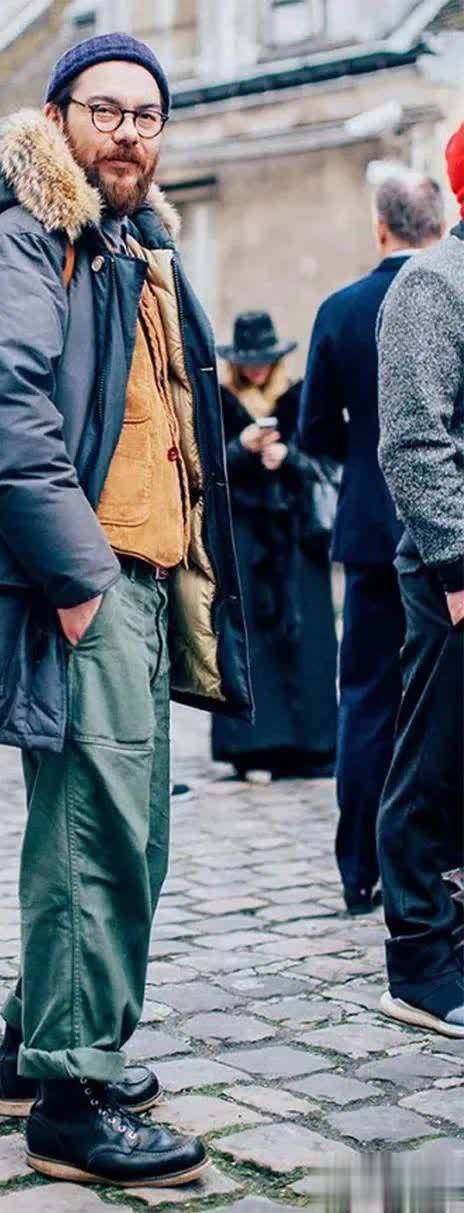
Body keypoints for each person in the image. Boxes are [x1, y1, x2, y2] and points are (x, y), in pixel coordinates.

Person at [0, 33, 251, 1187]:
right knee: (93, 836)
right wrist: (78, 580)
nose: (127, 134)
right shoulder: (27, 239)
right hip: (87, 585)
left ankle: (30, 1044)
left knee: (121, 831)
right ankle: (70, 1096)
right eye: (105, 111)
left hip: (137, 583)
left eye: (146, 116)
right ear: (56, 119)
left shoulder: (125, 246)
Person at [300, 172, 444, 915]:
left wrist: (362, 457)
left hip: (371, 525)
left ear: (380, 227)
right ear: (439, 221)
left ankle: (361, 865)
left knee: (366, 700)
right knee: (441, 701)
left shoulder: (342, 308)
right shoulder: (449, 293)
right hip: (445, 526)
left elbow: (315, 429)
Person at [375, 126, 464, 1039]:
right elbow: (412, 437)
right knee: (433, 767)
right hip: (453, 569)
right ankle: (421, 961)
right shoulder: (433, 284)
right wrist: (456, 563)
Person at [212, 311, 338, 782]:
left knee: (308, 639)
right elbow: (206, 469)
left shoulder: (299, 398)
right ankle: (253, 746)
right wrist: (242, 449)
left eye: (263, 360)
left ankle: (312, 745)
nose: (257, 369)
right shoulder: (221, 401)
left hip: (296, 537)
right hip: (245, 538)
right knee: (249, 640)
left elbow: (325, 461)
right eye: (249, 361)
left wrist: (287, 457)